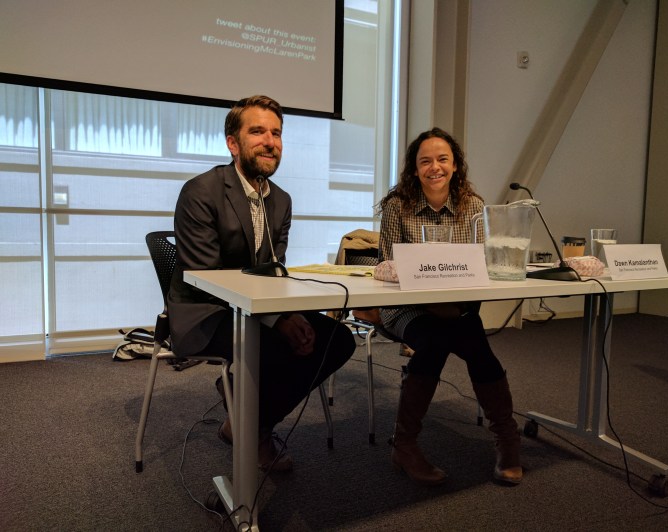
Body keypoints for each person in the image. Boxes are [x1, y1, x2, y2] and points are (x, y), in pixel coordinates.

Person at [167, 95, 356, 471]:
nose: (270, 141)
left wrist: (291, 314)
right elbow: (208, 280)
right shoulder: (201, 191)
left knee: (337, 339)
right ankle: (256, 434)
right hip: (207, 313)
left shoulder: (281, 200)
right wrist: (277, 322)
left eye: (277, 133)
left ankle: (245, 418)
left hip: (256, 310)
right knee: (275, 344)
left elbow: (273, 272)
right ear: (232, 143)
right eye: (257, 131)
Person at [377, 127, 522, 486]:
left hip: (456, 307)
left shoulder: (473, 206)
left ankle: (507, 440)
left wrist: (453, 303)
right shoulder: (397, 206)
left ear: (455, 165)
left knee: (474, 341)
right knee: (438, 339)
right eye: (425, 161)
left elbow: (480, 268)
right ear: (414, 169)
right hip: (407, 307)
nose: (434, 167)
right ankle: (405, 444)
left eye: (443, 159)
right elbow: (388, 267)